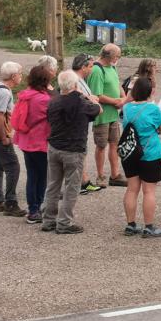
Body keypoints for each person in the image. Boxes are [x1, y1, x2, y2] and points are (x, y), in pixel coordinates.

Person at [43, 70, 101, 234]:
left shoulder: (53, 102)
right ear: (76, 85)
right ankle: (64, 222)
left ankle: (48, 220)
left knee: (53, 185)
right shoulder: (82, 103)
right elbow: (98, 110)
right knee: (71, 187)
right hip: (73, 150)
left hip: (54, 147)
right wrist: (88, 97)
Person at [121, 78, 161, 238]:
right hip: (150, 153)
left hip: (130, 154)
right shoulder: (153, 109)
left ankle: (131, 224)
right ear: (150, 92)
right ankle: (149, 226)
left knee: (132, 189)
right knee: (149, 191)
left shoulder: (126, 108)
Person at [13, 65, 54, 224]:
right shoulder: (44, 99)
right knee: (42, 176)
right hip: (40, 142)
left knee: (32, 175)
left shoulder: (25, 95)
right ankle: (37, 208)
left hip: (25, 140)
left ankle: (32, 208)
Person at [0, 61, 26, 217]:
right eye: (21, 74)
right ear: (14, 76)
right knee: (13, 167)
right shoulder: (5, 93)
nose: (21, 76)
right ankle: (10, 203)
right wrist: (4, 137)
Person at [87, 43, 128, 188]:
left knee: (114, 144)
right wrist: (116, 101)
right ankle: (100, 175)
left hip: (113, 115)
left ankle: (115, 175)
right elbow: (96, 95)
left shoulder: (112, 67)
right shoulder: (97, 70)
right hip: (102, 115)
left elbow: (117, 85)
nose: (118, 58)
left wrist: (124, 98)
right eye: (117, 55)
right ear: (109, 55)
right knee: (101, 145)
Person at [71, 53, 102, 194]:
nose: (91, 69)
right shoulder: (73, 79)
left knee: (82, 152)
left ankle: (84, 181)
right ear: (83, 67)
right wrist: (91, 99)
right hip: (76, 123)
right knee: (77, 153)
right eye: (90, 66)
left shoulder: (81, 78)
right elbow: (76, 96)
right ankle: (78, 184)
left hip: (84, 123)